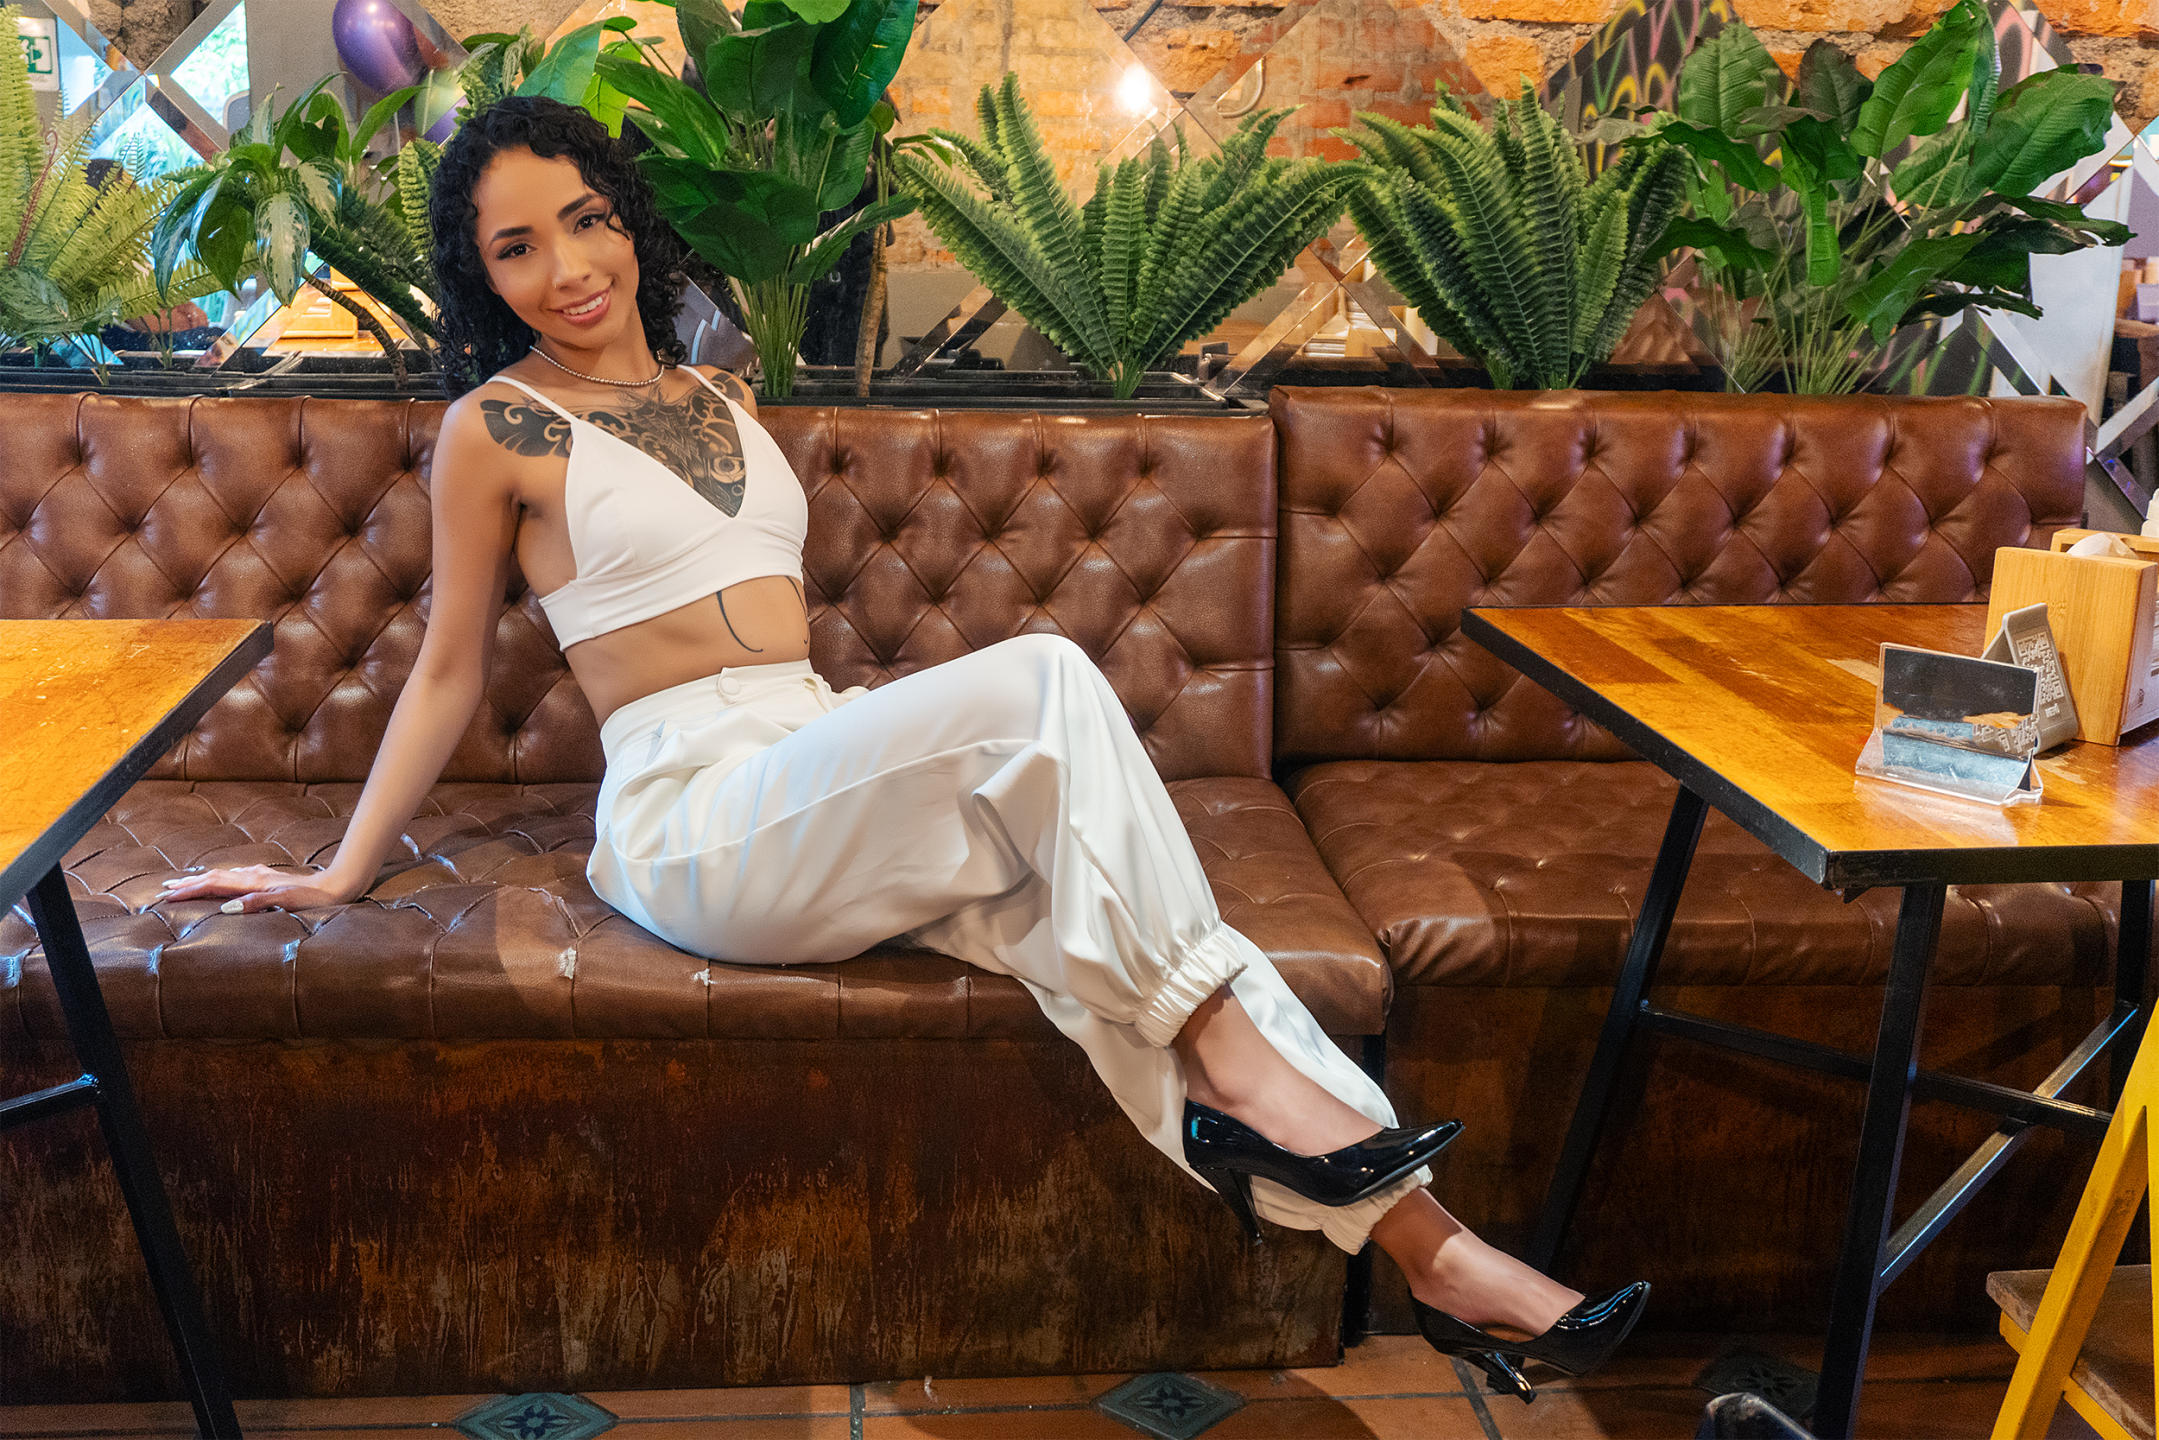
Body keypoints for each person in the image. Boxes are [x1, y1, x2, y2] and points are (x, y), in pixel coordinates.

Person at [155, 95, 1644, 1398]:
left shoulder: (722, 392)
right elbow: (448, 671)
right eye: (518, 247)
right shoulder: (501, 427)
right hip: (693, 813)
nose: (569, 266)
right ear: (483, 278)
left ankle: (1447, 1265)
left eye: (587, 219)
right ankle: (1249, 1083)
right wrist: (338, 874)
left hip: (810, 761)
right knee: (1048, 682)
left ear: (629, 222)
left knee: (1106, 923)